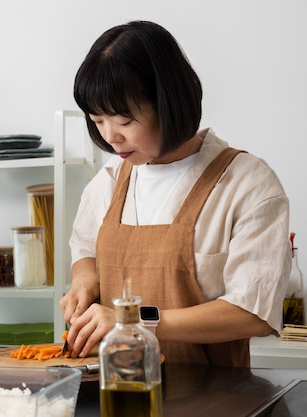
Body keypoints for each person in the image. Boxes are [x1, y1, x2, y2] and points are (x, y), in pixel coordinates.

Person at [59, 21, 290, 367]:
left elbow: (252, 312)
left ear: (169, 103)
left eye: (123, 121)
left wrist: (132, 320)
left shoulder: (247, 184)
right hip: (122, 391)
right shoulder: (106, 183)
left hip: (215, 398)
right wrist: (83, 285)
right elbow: (85, 252)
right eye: (97, 120)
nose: (110, 137)